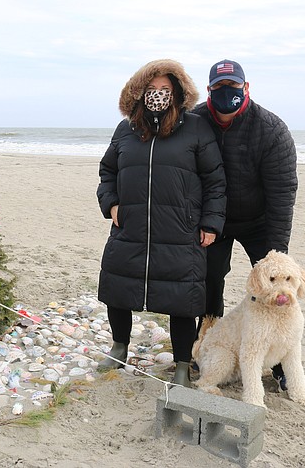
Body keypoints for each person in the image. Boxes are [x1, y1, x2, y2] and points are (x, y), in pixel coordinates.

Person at [96, 59, 226, 387]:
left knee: (181, 300)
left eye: (165, 90)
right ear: (139, 92)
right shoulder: (125, 130)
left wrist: (210, 222)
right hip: (130, 227)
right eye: (152, 90)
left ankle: (183, 364)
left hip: (180, 231)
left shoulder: (195, 128)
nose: (158, 95)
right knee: (118, 288)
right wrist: (111, 203)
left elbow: (215, 181)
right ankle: (119, 347)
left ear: (178, 92)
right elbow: (107, 170)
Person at [192, 59, 298, 391]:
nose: (227, 94)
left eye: (233, 87)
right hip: (214, 220)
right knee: (208, 280)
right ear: (209, 90)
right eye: (220, 88)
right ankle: (207, 346)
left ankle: (279, 362)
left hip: (260, 222)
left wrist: (276, 250)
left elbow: (282, 192)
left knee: (276, 289)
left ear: (245, 88)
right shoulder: (194, 121)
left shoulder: (271, 129)